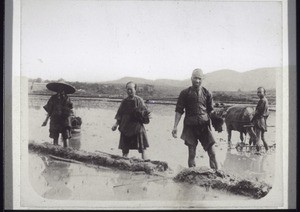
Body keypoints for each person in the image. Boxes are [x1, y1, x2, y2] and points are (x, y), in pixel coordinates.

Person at [172, 69, 219, 169]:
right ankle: (192, 177)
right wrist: (175, 126)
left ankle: (217, 176)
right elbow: (179, 110)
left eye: (199, 78)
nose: (197, 81)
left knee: (212, 153)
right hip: (190, 127)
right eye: (195, 78)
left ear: (202, 79)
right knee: (192, 154)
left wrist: (216, 119)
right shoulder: (185, 93)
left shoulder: (207, 93)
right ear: (191, 78)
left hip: (204, 126)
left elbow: (210, 110)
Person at [112, 82, 150, 160]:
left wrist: (141, 114)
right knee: (125, 149)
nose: (129, 91)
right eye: (128, 89)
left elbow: (145, 115)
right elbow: (120, 114)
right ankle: (124, 161)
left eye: (131, 89)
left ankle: (145, 161)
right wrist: (116, 124)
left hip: (136, 127)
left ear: (135, 90)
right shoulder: (124, 101)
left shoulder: (139, 100)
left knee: (143, 148)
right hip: (125, 126)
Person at [250, 87, 269, 151]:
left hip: (259, 121)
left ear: (264, 93)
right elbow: (267, 113)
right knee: (263, 138)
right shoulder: (266, 100)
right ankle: (267, 150)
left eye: (260, 92)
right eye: (258, 92)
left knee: (257, 138)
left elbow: (257, 112)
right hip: (263, 121)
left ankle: (258, 152)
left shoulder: (262, 101)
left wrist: (252, 119)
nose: (258, 94)